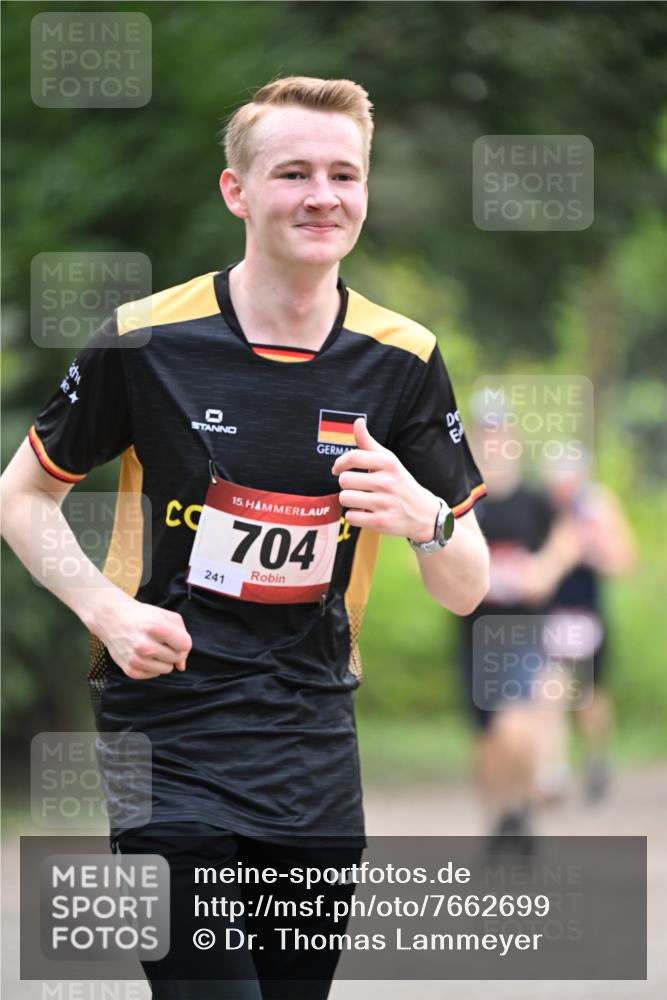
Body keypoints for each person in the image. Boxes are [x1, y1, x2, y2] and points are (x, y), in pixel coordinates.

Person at [1, 77, 489, 998]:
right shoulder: (145, 340)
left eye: (344, 174)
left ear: (366, 191)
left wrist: (421, 518)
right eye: (293, 172)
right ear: (238, 191)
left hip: (309, 731)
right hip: (165, 725)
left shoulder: (405, 360)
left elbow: (466, 585)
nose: (322, 195)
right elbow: (21, 497)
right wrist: (105, 609)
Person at [459, 405, 582, 843]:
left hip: (524, 632)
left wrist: (546, 568)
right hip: (474, 635)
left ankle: (523, 805)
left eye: (500, 435)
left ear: (513, 440)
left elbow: (571, 535)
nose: (493, 443)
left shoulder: (534, 500)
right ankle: (500, 818)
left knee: (516, 725)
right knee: (489, 741)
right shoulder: (465, 499)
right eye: (485, 435)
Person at [544, 454, 637, 801]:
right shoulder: (545, 508)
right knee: (549, 689)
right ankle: (553, 771)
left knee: (588, 697)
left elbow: (624, 560)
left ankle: (596, 757)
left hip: (585, 617)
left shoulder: (597, 507)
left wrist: (588, 548)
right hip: (547, 616)